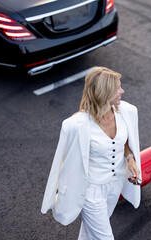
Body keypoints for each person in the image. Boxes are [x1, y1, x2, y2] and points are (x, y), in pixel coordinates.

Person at [41, 67, 141, 240]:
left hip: (115, 184)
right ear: (104, 92)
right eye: (117, 88)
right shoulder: (76, 125)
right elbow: (65, 163)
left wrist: (130, 158)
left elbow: (123, 140)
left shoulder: (127, 111)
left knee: (91, 231)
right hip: (91, 191)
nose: (122, 91)